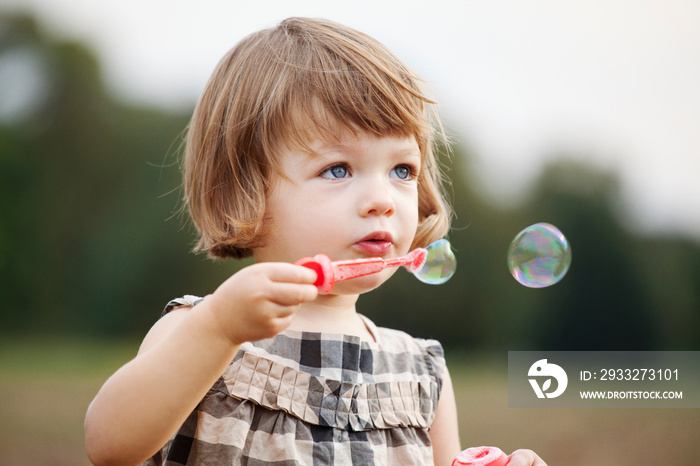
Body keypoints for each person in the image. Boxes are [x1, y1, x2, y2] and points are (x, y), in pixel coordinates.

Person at [85, 17, 547, 466]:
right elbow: (109, 447)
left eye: (402, 170)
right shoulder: (199, 332)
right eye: (338, 169)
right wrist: (220, 327)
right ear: (245, 191)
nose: (382, 200)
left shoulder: (421, 372)